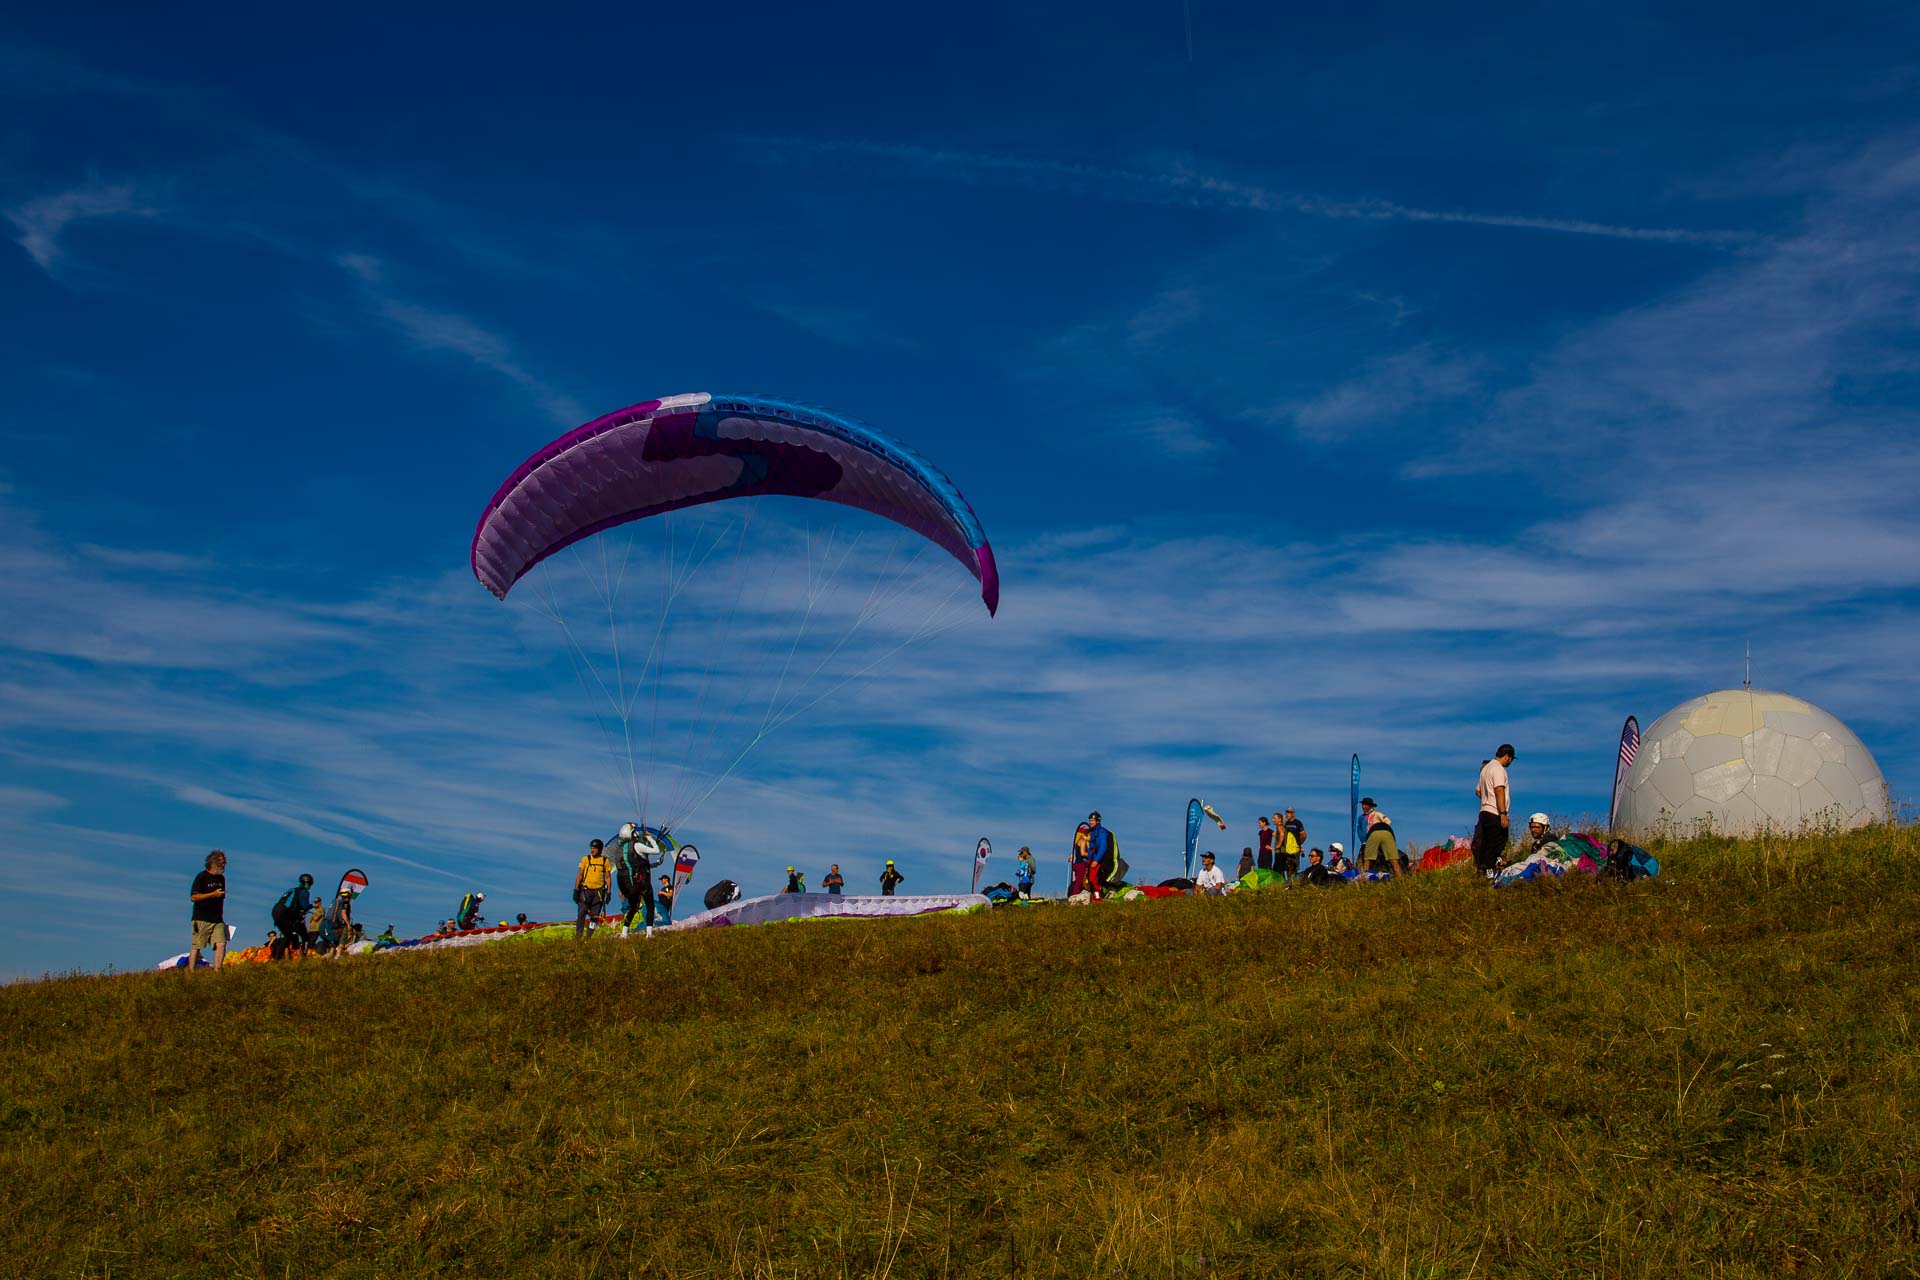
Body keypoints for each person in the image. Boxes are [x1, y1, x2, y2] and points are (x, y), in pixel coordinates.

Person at [1473, 745, 1516, 873]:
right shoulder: (1498, 769)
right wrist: (1503, 813)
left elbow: (1478, 791)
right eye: (1511, 759)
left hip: (1484, 811)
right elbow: (1499, 790)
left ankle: (1485, 870)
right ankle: (1489, 870)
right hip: (1494, 812)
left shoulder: (1486, 769)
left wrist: (1487, 797)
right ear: (1507, 757)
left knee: (1486, 843)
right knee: (1498, 841)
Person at [612, 823, 658, 938]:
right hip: (643, 882)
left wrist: (655, 864)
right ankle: (649, 934)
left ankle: (624, 933)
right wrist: (650, 838)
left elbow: (637, 864)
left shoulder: (620, 850)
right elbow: (656, 850)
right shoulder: (637, 845)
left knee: (633, 908)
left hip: (628, 884)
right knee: (650, 907)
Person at [187, 850, 228, 973]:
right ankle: (191, 972)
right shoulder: (202, 877)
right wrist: (213, 894)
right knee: (197, 945)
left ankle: (217, 970)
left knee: (221, 943)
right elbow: (193, 897)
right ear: (213, 863)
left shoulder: (221, 878)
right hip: (201, 918)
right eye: (222, 862)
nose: (224, 865)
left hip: (217, 919)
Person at [575, 839, 614, 939]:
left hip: (598, 893)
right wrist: (576, 890)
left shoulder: (605, 861)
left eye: (594, 848)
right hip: (585, 891)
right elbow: (580, 875)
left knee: (595, 917)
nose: (592, 850)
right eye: (591, 848)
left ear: (600, 849)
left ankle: (588, 938)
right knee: (581, 913)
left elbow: (608, 877)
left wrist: (608, 893)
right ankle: (578, 936)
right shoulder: (586, 859)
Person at [271, 873, 315, 957]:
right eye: (310, 885)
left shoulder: (291, 890)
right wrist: (311, 906)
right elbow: (304, 906)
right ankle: (303, 957)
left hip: (275, 911)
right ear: (307, 884)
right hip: (285, 914)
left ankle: (277, 958)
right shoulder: (304, 891)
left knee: (287, 935)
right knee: (305, 937)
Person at [1360, 797, 1400, 876]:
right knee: (1394, 859)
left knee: (1367, 859)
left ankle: (1364, 878)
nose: (1363, 806)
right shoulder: (1363, 817)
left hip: (1374, 833)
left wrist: (1380, 826)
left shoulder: (1377, 814)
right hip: (1385, 833)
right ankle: (1401, 878)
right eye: (1363, 805)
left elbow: (1388, 821)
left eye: (1366, 805)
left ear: (1371, 806)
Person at [1084, 811, 1112, 901]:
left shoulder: (1101, 831)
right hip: (1092, 859)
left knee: (1093, 879)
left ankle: (1097, 898)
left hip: (1098, 860)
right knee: (1090, 879)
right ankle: (1095, 897)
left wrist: (1096, 860)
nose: (1090, 822)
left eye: (1092, 820)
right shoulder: (1093, 832)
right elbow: (1092, 848)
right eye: (1090, 820)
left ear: (1098, 821)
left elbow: (1103, 847)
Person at [1278, 809, 1306, 882]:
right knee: (1286, 865)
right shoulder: (1286, 823)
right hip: (1287, 848)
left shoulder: (1298, 823)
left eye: (1289, 813)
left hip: (1295, 849)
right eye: (1287, 813)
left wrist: (1298, 844)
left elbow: (1303, 835)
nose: (1287, 814)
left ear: (1293, 814)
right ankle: (1287, 881)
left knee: (1294, 865)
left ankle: (1293, 881)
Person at [1069, 821, 1092, 896]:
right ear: (1088, 835)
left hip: (1077, 864)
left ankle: (1076, 894)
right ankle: (1075, 895)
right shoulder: (1083, 841)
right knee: (1079, 882)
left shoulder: (1079, 840)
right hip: (1080, 864)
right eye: (1091, 836)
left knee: (1078, 881)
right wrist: (1091, 854)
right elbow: (1082, 853)